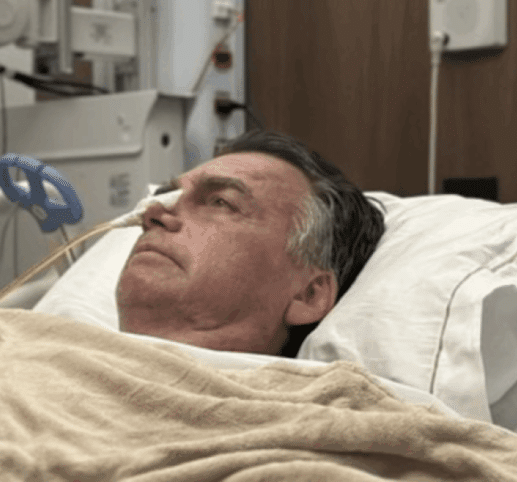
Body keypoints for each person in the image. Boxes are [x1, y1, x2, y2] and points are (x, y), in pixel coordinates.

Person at [115, 130, 385, 358]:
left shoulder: (338, 404)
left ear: (309, 295)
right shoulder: (87, 360)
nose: (152, 213)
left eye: (220, 202)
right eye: (166, 197)